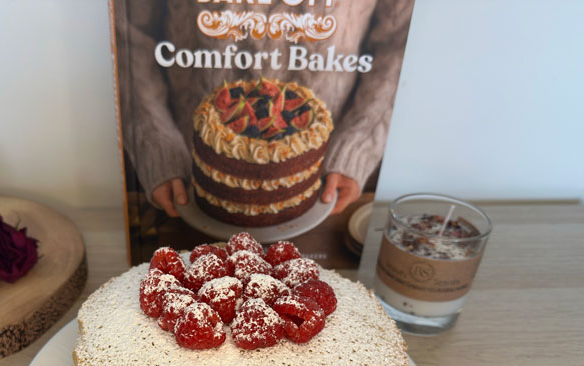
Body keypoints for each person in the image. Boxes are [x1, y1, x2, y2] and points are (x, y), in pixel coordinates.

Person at [114, 0, 414, 219]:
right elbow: (129, 34)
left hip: (322, 178)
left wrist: (358, 144)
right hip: (189, 174)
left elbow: (398, 40)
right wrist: (155, 142)